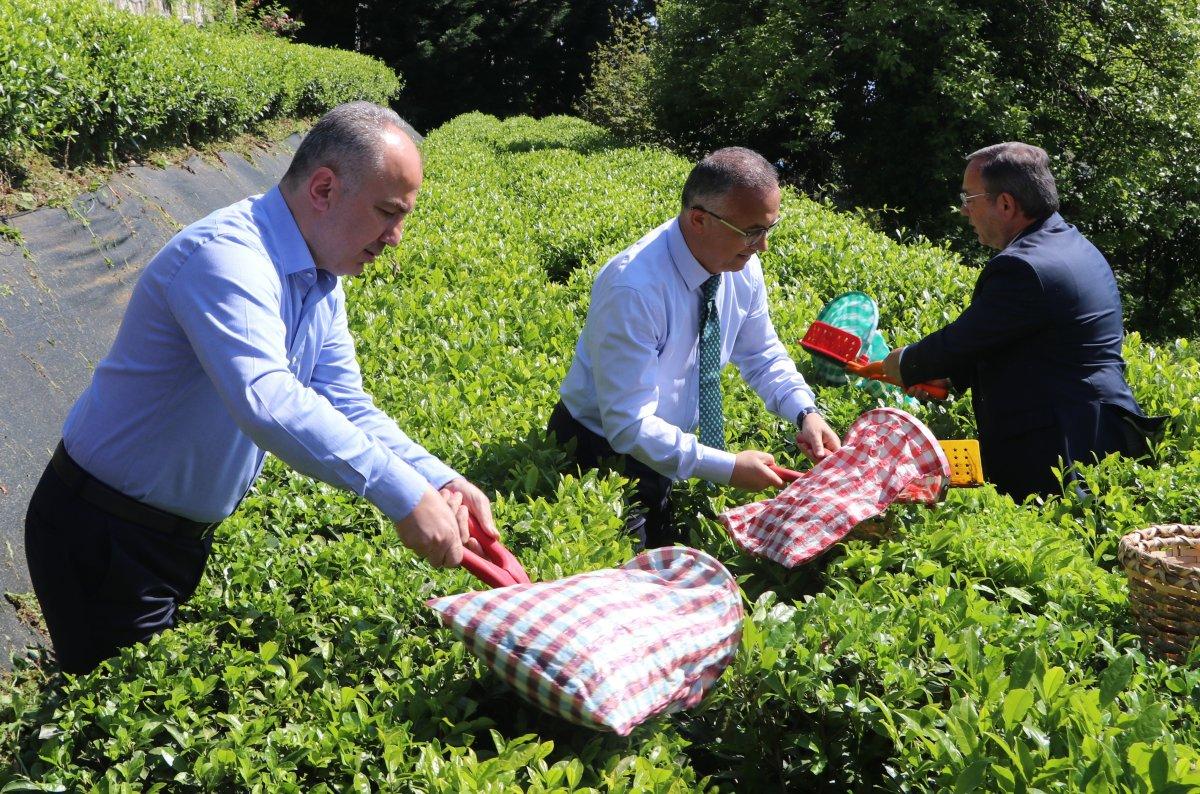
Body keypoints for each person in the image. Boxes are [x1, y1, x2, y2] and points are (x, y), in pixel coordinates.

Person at [24, 101, 498, 674]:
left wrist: (437, 479)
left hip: (169, 538)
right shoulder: (227, 257)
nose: (395, 237)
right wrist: (401, 496)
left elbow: (347, 405)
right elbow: (267, 398)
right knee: (113, 726)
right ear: (323, 188)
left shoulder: (321, 277)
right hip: (104, 532)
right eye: (386, 212)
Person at [549, 147, 841, 548]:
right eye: (752, 231)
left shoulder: (742, 266)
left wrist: (804, 412)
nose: (763, 246)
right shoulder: (632, 288)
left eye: (769, 229)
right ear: (700, 219)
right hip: (599, 447)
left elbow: (760, 353)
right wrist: (726, 468)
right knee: (636, 572)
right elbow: (628, 425)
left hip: (669, 446)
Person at [882, 141, 1161, 500]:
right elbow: (1019, 339)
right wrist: (950, 376)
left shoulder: (1023, 267)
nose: (964, 211)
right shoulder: (1073, 245)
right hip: (1097, 431)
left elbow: (963, 340)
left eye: (969, 199)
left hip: (1063, 446)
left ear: (1006, 204)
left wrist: (905, 363)